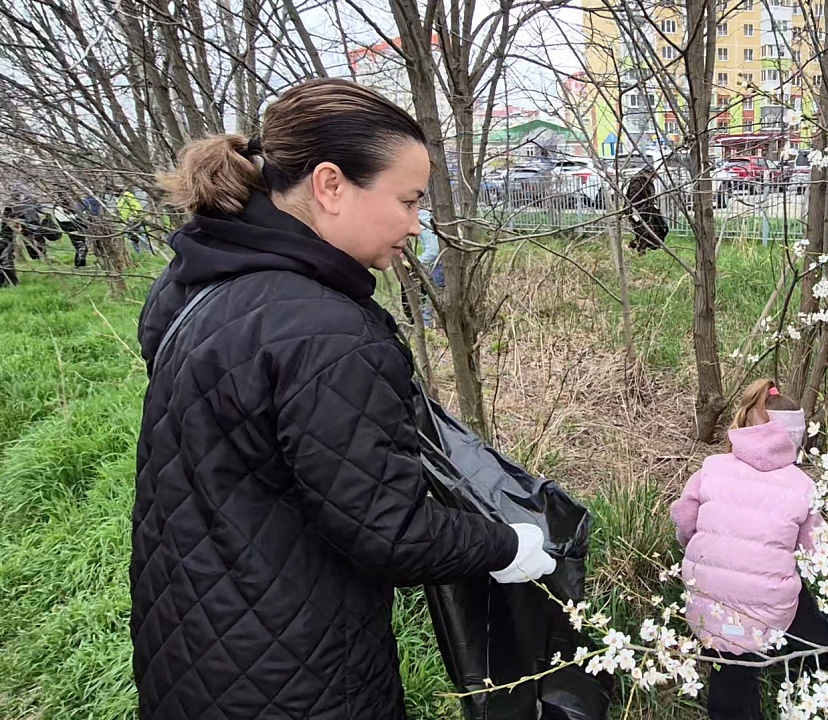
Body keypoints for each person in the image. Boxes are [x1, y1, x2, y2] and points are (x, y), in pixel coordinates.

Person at [133, 78, 556, 720]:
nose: (416, 226)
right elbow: (389, 530)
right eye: (408, 200)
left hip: (190, 638)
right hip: (296, 676)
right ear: (330, 185)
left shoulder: (196, 283)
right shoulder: (327, 332)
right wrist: (506, 544)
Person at [670, 379, 828, 720]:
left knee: (732, 676)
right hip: (766, 607)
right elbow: (821, 555)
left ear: (747, 425)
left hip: (706, 599)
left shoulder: (712, 467)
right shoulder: (801, 487)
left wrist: (701, 548)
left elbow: (684, 520)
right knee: (821, 638)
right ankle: (803, 685)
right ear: (797, 438)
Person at [626, 166, 668, 254]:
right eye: (654, 176)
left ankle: (631, 246)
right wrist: (636, 213)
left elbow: (651, 196)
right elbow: (634, 199)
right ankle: (641, 252)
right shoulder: (637, 182)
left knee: (655, 230)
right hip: (636, 211)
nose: (655, 179)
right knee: (643, 232)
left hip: (648, 210)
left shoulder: (648, 182)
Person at [0, 206, 18, 286]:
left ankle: (13, 283)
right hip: (4, 240)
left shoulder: (8, 215)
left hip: (6, 241)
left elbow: (16, 227)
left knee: (7, 262)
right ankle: (2, 283)